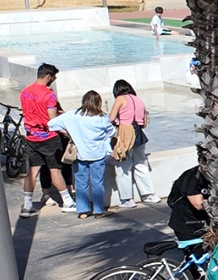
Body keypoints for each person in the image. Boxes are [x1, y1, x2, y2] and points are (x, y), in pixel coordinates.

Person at [48, 90, 117, 218]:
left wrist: (68, 133)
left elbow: (51, 124)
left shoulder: (73, 115)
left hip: (80, 154)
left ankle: (83, 211)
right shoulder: (102, 118)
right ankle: (98, 210)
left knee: (81, 183)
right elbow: (112, 132)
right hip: (97, 153)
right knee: (97, 183)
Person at [18, 62, 73, 215]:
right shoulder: (48, 94)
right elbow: (52, 119)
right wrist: (66, 130)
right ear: (48, 76)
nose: (53, 80)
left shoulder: (24, 92)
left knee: (32, 172)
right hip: (48, 137)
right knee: (55, 170)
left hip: (31, 137)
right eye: (53, 77)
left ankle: (27, 205)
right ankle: (67, 201)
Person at [108, 80, 157, 208]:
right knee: (141, 163)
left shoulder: (120, 98)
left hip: (126, 132)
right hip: (140, 134)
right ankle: (150, 194)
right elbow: (144, 122)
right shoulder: (139, 100)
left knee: (123, 166)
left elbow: (111, 118)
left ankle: (127, 199)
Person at [166, 164, 210, 247]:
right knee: (196, 254)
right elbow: (199, 204)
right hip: (188, 225)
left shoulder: (217, 176)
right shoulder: (191, 177)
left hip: (208, 222)